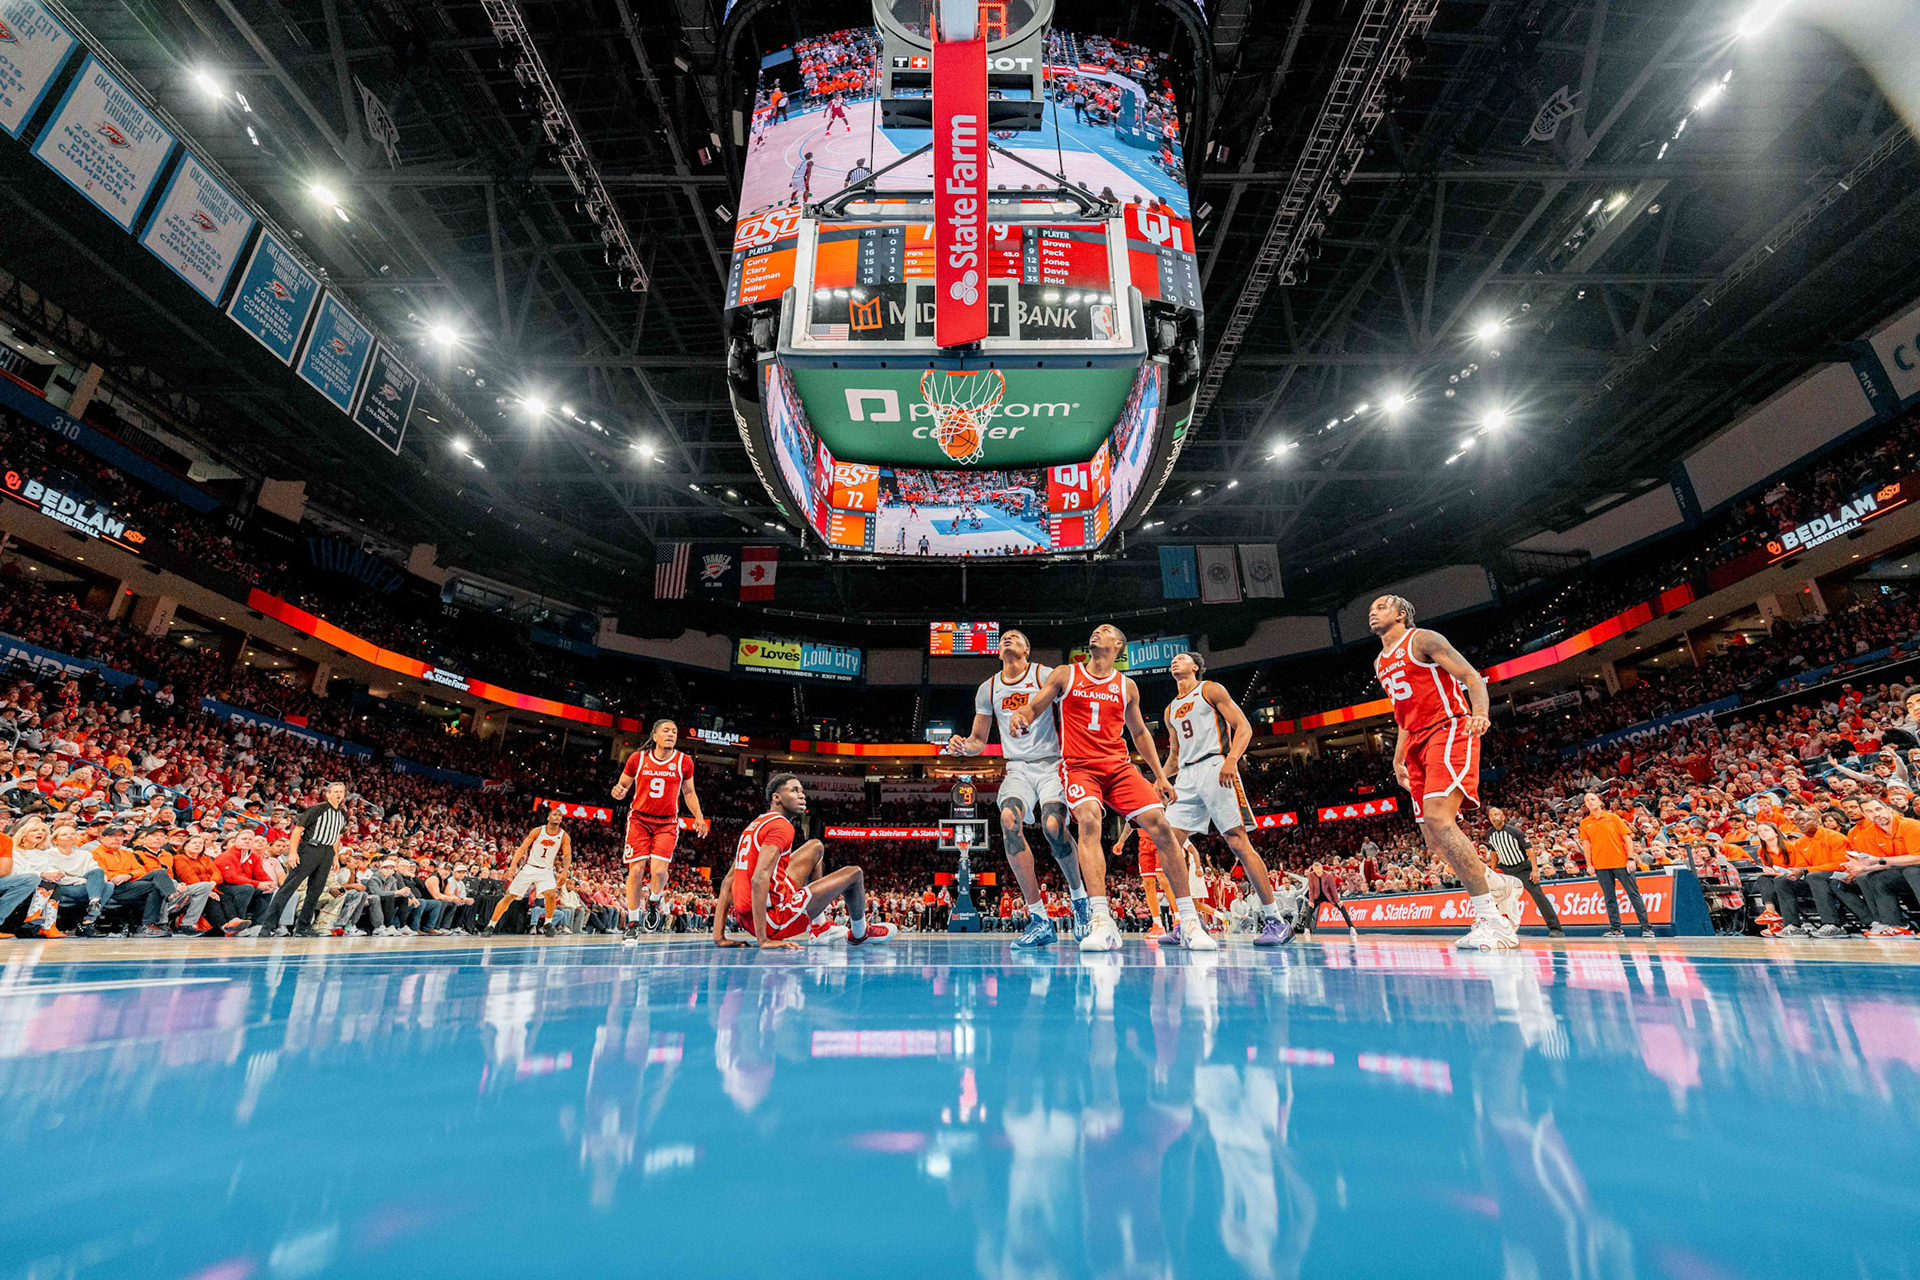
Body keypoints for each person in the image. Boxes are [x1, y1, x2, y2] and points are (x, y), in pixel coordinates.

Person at [1008, 623, 1216, 952]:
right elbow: (1036, 704)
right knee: (1089, 819)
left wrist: (1160, 776)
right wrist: (1023, 715)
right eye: (1094, 629)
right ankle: (1102, 919)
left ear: (1117, 644)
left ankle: (1189, 920)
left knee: (1162, 825)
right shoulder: (1066, 674)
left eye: (1104, 630)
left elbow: (1140, 734)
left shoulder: (1127, 686)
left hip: (1119, 767)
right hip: (1078, 766)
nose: (1095, 632)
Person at [1369, 594, 1521, 950]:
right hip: (1416, 743)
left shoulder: (1423, 639)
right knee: (1433, 839)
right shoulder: (1380, 661)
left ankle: (1490, 918)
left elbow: (1471, 675)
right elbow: (1404, 712)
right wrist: (1397, 757)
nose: (1372, 613)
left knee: (1440, 817)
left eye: (1380, 607)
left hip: (1450, 728)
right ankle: (1499, 886)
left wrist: (1480, 712)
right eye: (1371, 610)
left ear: (1401, 613)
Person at [945, 628, 1090, 947]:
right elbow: (978, 742)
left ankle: (1080, 902)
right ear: (998, 653)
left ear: (1027, 649)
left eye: (1015, 636)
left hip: (1053, 762)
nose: (1007, 639)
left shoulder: (1045, 674)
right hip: (1018, 767)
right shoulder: (988, 688)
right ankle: (1040, 919)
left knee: (1054, 826)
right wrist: (962, 746)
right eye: (1003, 638)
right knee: (1009, 821)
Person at [1161, 652, 1292, 946]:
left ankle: (1276, 921)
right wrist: (1158, 776)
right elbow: (1174, 756)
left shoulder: (1210, 689)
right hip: (1186, 775)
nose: (1175, 661)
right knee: (1167, 842)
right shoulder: (1170, 709)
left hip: (1215, 766)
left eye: (1181, 658)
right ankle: (1188, 921)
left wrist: (1232, 759)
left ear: (1195, 666)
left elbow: (1243, 727)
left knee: (1237, 841)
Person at [718, 775, 892, 946]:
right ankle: (860, 933)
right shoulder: (781, 826)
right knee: (854, 873)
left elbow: (728, 882)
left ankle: (820, 927)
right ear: (776, 797)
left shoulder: (755, 824)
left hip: (746, 918)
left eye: (802, 791)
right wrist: (764, 940)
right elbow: (759, 878)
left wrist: (719, 937)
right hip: (771, 919)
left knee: (815, 847)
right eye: (794, 790)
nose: (802, 795)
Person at [611, 719, 708, 939]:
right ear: (655, 736)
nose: (671, 734)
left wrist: (699, 817)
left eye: (674, 731)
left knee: (659, 871)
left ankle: (654, 901)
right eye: (666, 730)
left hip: (666, 822)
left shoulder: (684, 761)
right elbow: (622, 786)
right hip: (639, 820)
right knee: (635, 871)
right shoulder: (638, 759)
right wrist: (617, 791)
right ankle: (633, 922)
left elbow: (689, 793)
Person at [240, 781, 348, 938]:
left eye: (341, 791)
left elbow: (336, 836)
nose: (338, 794)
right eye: (336, 791)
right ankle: (267, 926)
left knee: (315, 892)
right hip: (310, 849)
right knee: (288, 888)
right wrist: (292, 853)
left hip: (327, 852)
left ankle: (302, 928)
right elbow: (297, 830)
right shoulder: (317, 809)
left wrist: (335, 856)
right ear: (328, 794)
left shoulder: (343, 814)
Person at [1576, 793, 1654, 939]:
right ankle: (1616, 929)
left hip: (1621, 862)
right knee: (1609, 897)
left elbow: (1628, 839)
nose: (1590, 802)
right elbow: (1586, 846)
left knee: (1633, 894)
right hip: (1601, 865)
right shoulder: (1584, 823)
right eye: (1587, 800)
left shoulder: (1613, 818)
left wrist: (1630, 858)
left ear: (1600, 801)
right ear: (1585, 805)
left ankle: (1647, 928)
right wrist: (1589, 864)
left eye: (1593, 799)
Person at [486, 810, 571, 936]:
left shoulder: (564, 836)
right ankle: (491, 925)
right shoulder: (537, 831)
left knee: (551, 894)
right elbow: (522, 848)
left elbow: (567, 855)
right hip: (531, 867)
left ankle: (548, 924)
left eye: (560, 815)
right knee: (509, 897)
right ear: (548, 817)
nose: (557, 817)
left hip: (546, 870)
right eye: (555, 814)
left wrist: (564, 871)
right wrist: (512, 867)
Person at [1484, 807, 1565, 938]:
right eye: (1491, 815)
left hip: (1522, 868)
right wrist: (1493, 872)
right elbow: (1494, 852)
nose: (1494, 817)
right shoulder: (1490, 833)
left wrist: (1535, 870)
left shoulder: (1515, 832)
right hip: (1505, 869)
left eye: (1497, 814)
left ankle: (1556, 929)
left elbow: (1530, 850)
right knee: (1496, 898)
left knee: (1538, 896)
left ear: (1504, 817)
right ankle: (1498, 928)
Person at [1847, 796, 1920, 936]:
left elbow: (1917, 858)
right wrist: (1864, 868)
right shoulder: (1869, 833)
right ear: (1865, 815)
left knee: (1913, 872)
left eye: (1878, 809)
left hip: (1916, 868)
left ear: (1888, 809)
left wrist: (1881, 860)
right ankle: (1896, 925)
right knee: (1876, 878)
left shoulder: (1910, 826)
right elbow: (1880, 862)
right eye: (1869, 811)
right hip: (1904, 871)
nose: (1876, 814)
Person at [1304, 861, 1356, 938]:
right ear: (1313, 870)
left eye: (1319, 868)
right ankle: (1307, 929)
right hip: (1317, 895)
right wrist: (1311, 900)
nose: (1318, 870)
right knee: (1310, 908)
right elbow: (1311, 889)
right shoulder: (1311, 875)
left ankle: (1352, 928)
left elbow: (1333, 889)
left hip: (1329, 895)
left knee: (1342, 907)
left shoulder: (1328, 875)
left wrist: (1338, 901)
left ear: (1321, 868)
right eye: (1316, 869)